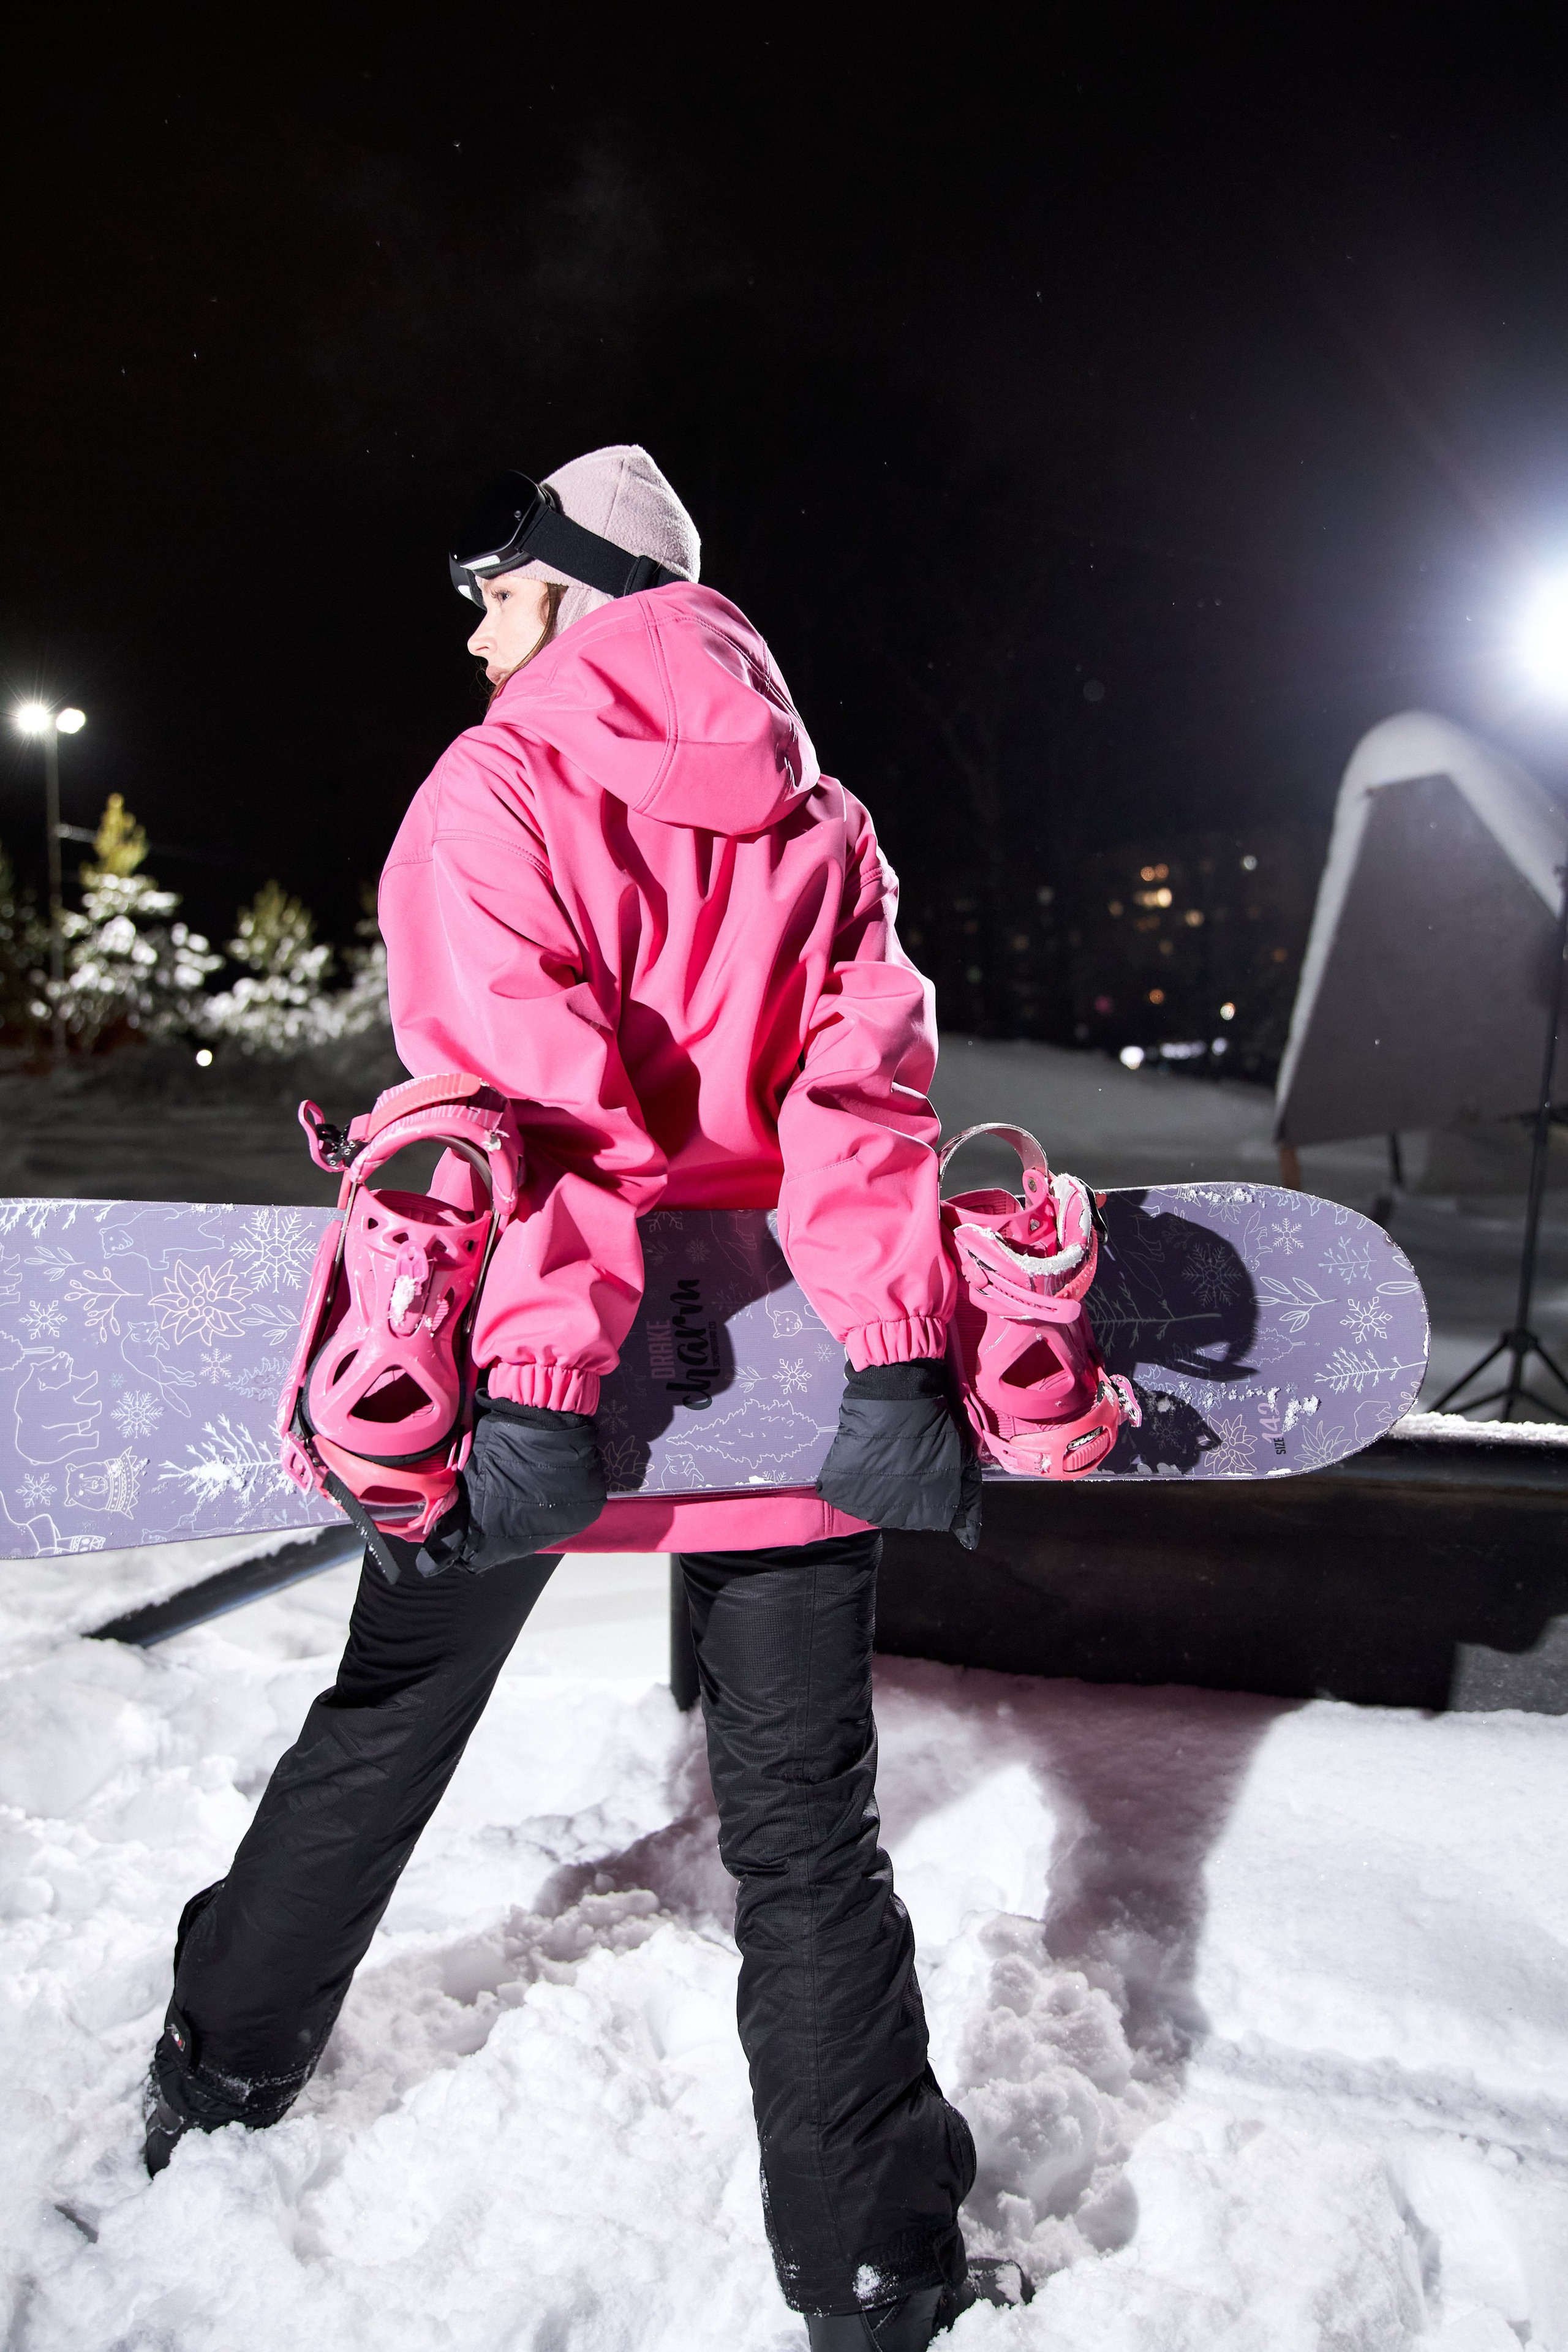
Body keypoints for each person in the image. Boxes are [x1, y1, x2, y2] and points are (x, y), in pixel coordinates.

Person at [143, 445, 1009, 2351]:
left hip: (545, 1377)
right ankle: (880, 2258)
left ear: (570, 589)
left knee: (392, 1709)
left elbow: (515, 1106)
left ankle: (221, 2069)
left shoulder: (498, 784)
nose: (473, 627)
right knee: (806, 1820)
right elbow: (854, 1112)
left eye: (493, 587)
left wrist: (533, 1378)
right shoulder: (824, 818)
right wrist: (890, 1348)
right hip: (776, 1381)